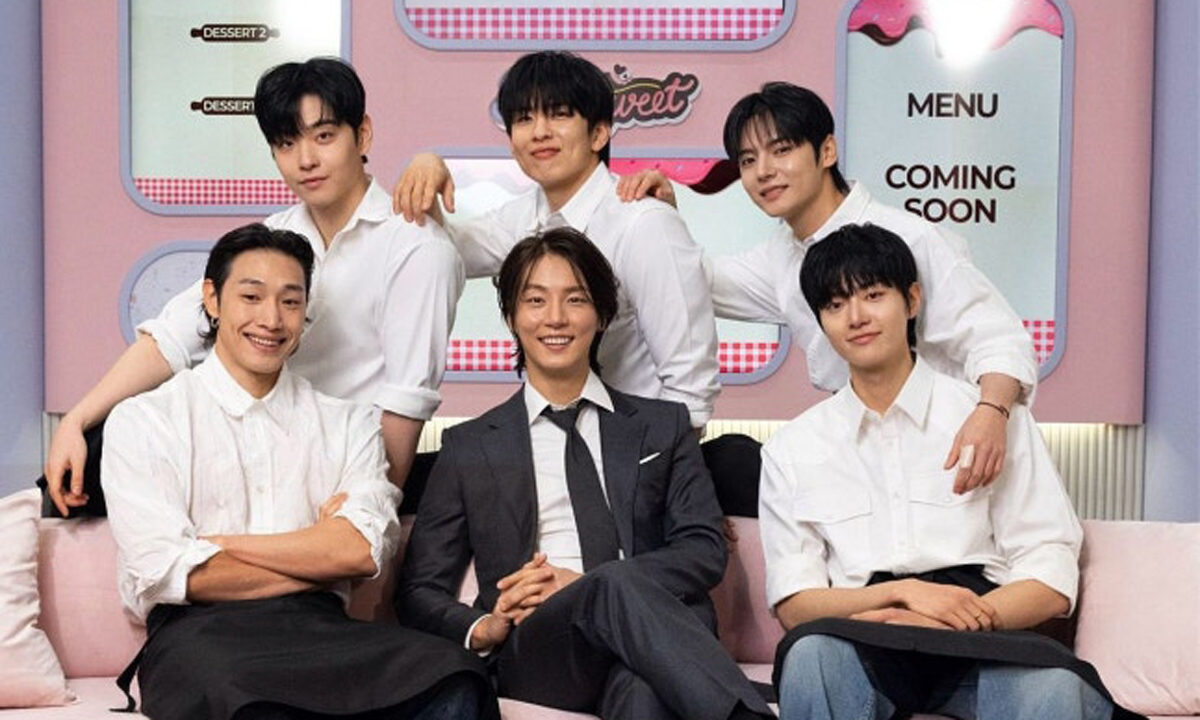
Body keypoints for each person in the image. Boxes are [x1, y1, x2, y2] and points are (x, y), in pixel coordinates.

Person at [100, 224, 495, 720]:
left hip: (322, 630)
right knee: (241, 699)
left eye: (290, 302)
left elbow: (360, 551)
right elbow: (170, 573)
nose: (271, 319)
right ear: (212, 299)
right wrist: (316, 553)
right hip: (198, 636)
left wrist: (220, 545)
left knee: (456, 676)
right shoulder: (145, 419)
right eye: (251, 297)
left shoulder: (348, 424)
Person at [46, 57, 463, 514]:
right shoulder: (277, 236)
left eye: (324, 137)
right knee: (81, 468)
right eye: (286, 143)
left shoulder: (416, 246)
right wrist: (77, 420)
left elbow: (405, 402)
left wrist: (370, 512)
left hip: (338, 461)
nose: (306, 160)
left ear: (362, 135)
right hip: (250, 443)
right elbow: (172, 337)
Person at [396, 228, 772, 720]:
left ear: (602, 315)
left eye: (575, 299)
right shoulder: (470, 446)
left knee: (643, 692)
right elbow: (418, 591)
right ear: (511, 317)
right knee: (611, 586)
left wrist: (587, 582)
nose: (555, 317)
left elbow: (703, 549)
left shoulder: (662, 426)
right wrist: (483, 626)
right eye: (536, 300)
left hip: (653, 637)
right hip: (541, 646)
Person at [759, 223, 1129, 720]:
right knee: (810, 658)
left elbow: (1050, 573)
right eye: (835, 305)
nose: (856, 317)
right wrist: (903, 595)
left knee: (1059, 690)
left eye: (873, 295)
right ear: (821, 322)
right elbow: (794, 604)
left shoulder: (989, 419)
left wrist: (956, 620)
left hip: (983, 634)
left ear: (912, 300)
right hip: (864, 635)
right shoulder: (792, 447)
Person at [618, 82, 1036, 493]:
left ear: (827, 151)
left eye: (782, 150)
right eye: (748, 160)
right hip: (865, 447)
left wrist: (990, 415)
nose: (763, 171)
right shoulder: (784, 256)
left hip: (955, 446)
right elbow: (691, 280)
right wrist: (663, 222)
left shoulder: (911, 238)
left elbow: (998, 339)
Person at [392, 50, 719, 431]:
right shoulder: (523, 217)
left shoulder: (643, 223)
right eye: (524, 118)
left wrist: (661, 461)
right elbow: (440, 251)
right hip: (554, 440)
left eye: (559, 114)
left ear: (599, 133)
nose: (539, 132)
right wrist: (427, 165)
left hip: (638, 444)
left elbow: (691, 386)